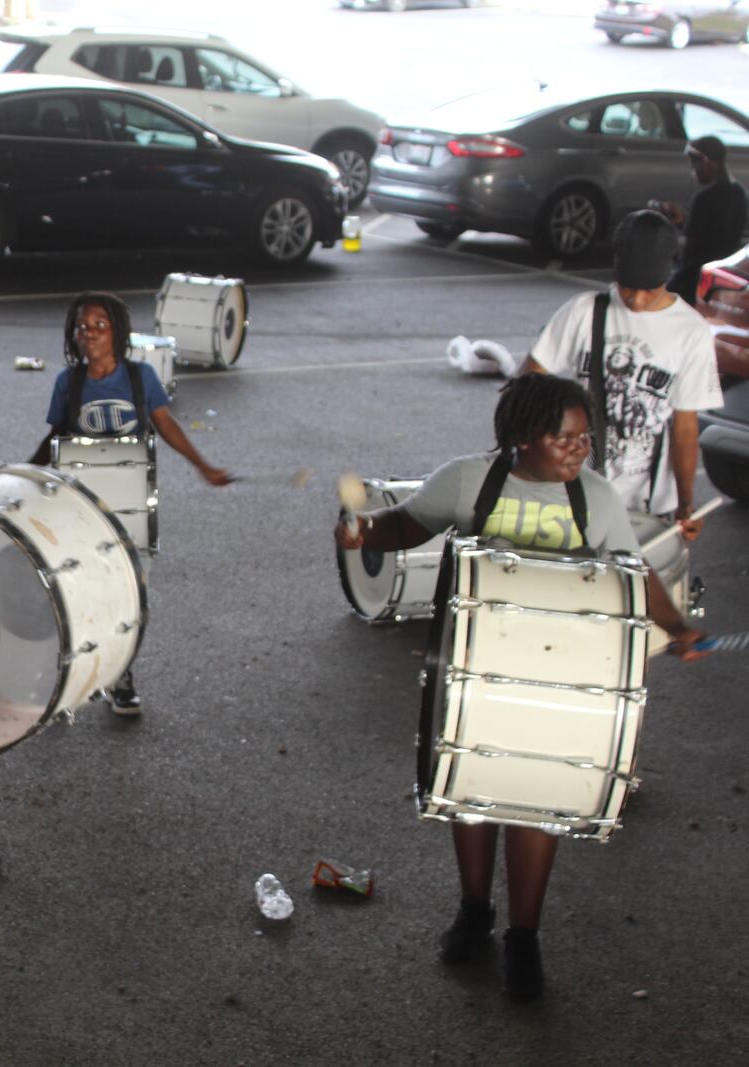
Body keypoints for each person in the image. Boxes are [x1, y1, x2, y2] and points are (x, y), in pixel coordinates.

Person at [334, 374, 708, 1003]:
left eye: (586, 435)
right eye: (567, 437)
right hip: (475, 669)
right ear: (523, 438)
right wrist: (363, 530)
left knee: (536, 802)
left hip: (558, 676)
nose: (581, 447)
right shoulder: (469, 480)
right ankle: (475, 912)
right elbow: (408, 525)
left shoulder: (593, 497)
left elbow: (632, 571)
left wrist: (675, 624)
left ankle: (523, 937)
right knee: (471, 791)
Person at [27, 291, 232, 714]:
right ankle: (66, 674)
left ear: (118, 332)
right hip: (82, 506)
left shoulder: (141, 378)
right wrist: (24, 476)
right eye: (82, 327)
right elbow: (56, 438)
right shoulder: (69, 383)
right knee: (76, 590)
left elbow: (167, 426)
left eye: (100, 325)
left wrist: (203, 466)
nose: (90, 334)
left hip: (132, 505)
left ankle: (120, 675)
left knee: (129, 595)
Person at [520, 210, 722, 529]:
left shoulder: (690, 331)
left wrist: (686, 505)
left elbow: (685, 427)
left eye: (650, 289)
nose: (638, 301)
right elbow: (527, 382)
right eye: (628, 288)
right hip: (573, 497)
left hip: (647, 506)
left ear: (668, 273)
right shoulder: (584, 311)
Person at [648, 136, 748, 306]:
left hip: (693, 277)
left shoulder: (703, 199)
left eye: (695, 164)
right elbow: (719, 230)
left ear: (708, 162)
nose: (692, 169)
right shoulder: (740, 193)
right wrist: (684, 221)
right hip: (722, 275)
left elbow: (689, 250)